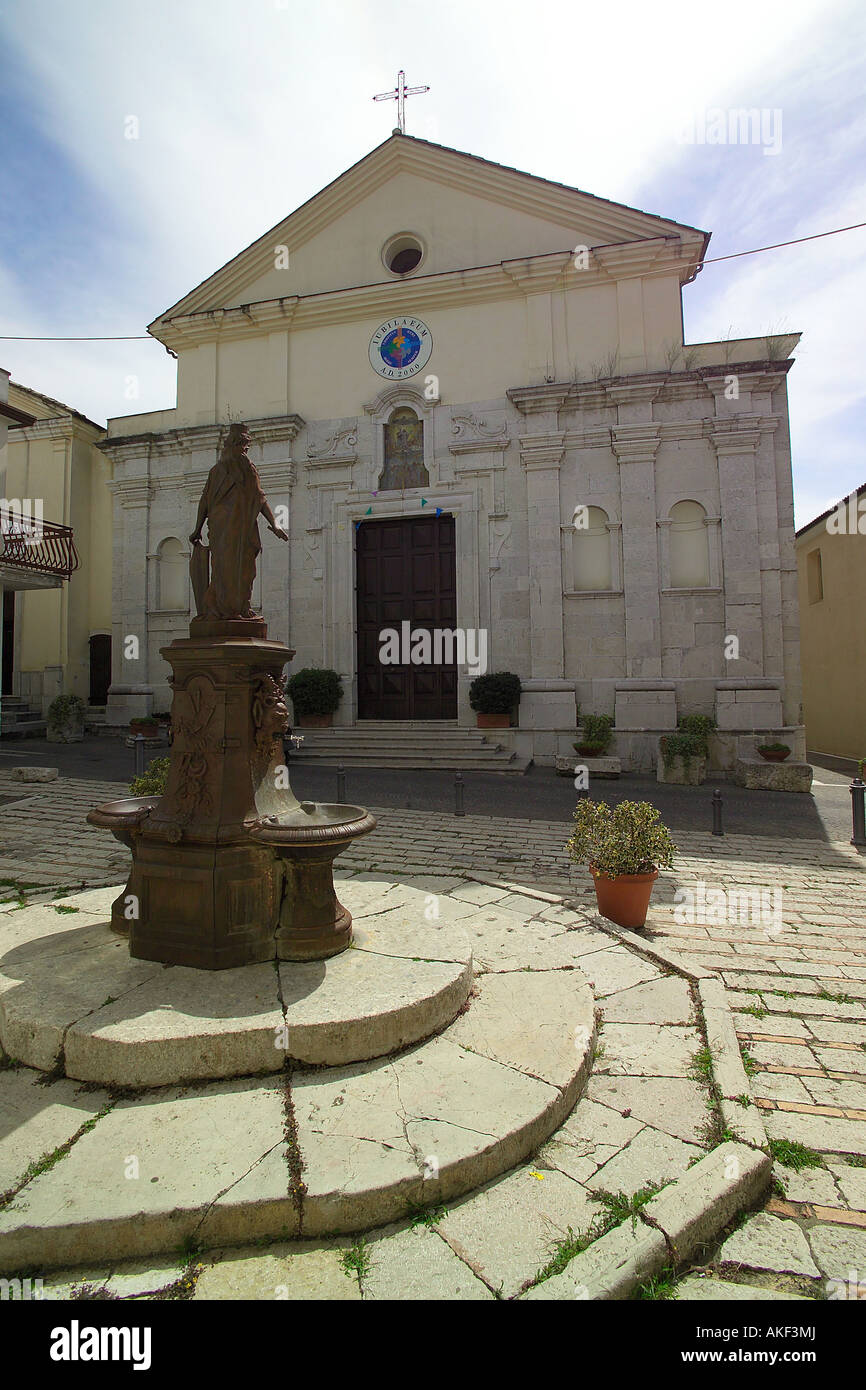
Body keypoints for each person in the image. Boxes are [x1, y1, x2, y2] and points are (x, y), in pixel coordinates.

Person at [189, 422, 288, 619]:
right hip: (222, 530)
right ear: (233, 445)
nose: (246, 449)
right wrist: (197, 528)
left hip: (242, 529)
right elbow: (205, 500)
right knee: (222, 569)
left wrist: (275, 523)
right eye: (244, 445)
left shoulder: (247, 469)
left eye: (247, 446)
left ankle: (241, 606)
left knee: (246, 570)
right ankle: (223, 608)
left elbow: (259, 498)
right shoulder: (217, 471)